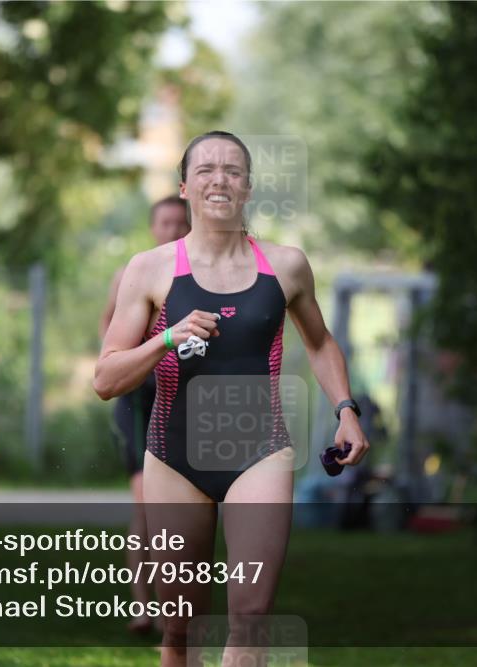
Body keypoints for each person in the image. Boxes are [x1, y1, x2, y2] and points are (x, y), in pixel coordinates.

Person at [94, 131, 369, 666]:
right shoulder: (149, 268)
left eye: (232, 170)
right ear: (184, 187)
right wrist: (166, 337)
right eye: (205, 169)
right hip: (173, 459)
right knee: (180, 630)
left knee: (251, 615)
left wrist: (346, 410)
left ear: (248, 187)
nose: (219, 179)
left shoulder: (286, 266)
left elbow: (319, 342)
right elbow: (105, 379)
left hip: (259, 452)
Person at [98, 195, 190, 635]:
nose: (171, 230)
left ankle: (176, 605)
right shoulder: (132, 273)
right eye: (164, 222)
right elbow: (107, 328)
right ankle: (143, 604)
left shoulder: (199, 275)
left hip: (182, 396)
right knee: (145, 503)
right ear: (153, 227)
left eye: (179, 223)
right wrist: (129, 359)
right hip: (137, 397)